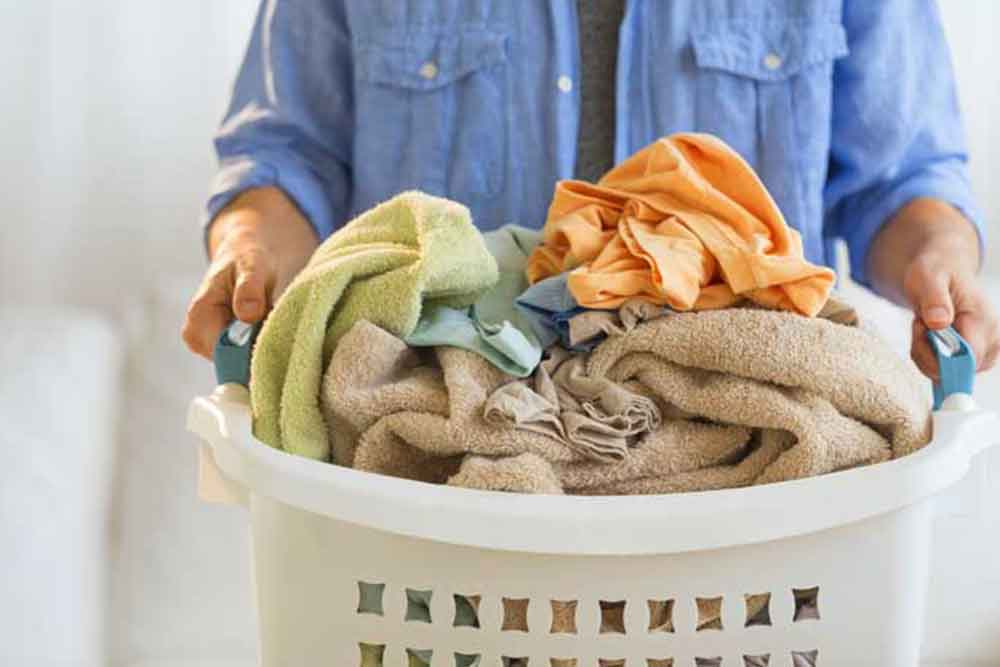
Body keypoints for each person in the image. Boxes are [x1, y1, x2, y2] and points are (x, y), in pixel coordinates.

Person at [182, 0, 999, 380]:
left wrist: (941, 261)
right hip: (432, 487)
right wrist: (249, 252)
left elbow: (900, 183)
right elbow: (288, 158)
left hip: (753, 497)